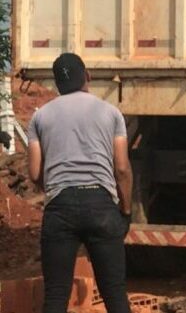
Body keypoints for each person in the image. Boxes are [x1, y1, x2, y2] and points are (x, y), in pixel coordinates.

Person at [26, 53, 132, 313]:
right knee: (115, 293)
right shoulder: (111, 113)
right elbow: (121, 169)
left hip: (59, 208)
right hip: (102, 206)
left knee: (55, 296)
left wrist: (52, 188)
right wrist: (125, 211)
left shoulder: (40, 117)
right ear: (87, 76)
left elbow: (35, 172)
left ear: (56, 84)